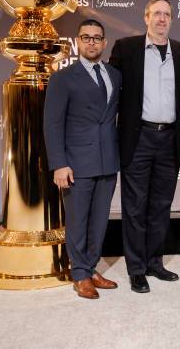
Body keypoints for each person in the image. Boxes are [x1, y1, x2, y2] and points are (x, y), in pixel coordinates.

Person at [108, 0, 180, 293]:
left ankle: (155, 262)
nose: (161, 19)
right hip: (138, 137)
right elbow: (111, 92)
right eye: (156, 13)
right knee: (134, 207)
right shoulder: (126, 48)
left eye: (167, 14)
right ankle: (136, 268)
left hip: (169, 138)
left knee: (160, 205)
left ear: (172, 19)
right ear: (146, 17)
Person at [44, 19, 121, 299]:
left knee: (99, 220)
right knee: (78, 221)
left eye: (96, 38)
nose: (91, 42)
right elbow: (52, 124)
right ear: (77, 41)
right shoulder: (63, 78)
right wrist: (59, 164)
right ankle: (79, 274)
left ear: (104, 43)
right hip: (76, 162)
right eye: (86, 37)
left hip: (108, 160)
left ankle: (90, 267)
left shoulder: (114, 75)